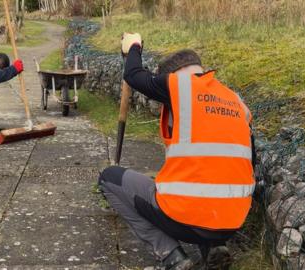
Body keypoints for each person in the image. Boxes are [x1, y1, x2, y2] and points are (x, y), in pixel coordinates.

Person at [98, 33, 256, 270]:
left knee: (109, 178)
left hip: (185, 220)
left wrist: (133, 47)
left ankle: (172, 256)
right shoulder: (234, 100)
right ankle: (215, 246)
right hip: (233, 220)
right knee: (210, 183)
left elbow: (133, 75)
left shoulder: (179, 86)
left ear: (170, 76)